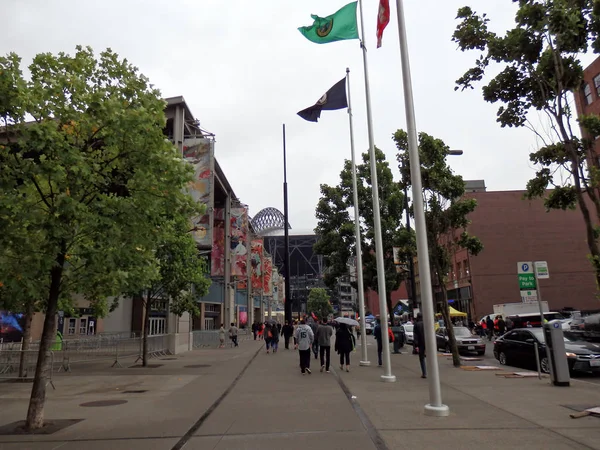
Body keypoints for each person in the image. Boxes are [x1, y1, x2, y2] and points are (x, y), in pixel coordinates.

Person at [413, 313, 427, 378]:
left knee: (422, 358)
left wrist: (416, 345)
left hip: (420, 343)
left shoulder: (416, 325)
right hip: (427, 343)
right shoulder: (426, 323)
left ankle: (424, 373)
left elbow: (415, 335)